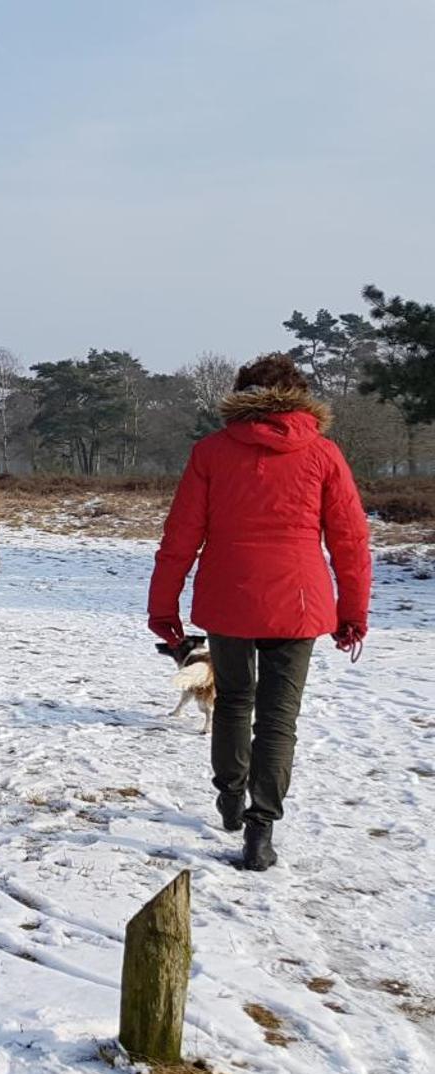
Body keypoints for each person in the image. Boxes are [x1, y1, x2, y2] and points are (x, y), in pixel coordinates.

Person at [148, 353, 370, 871]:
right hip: (298, 600)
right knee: (278, 717)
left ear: (241, 396)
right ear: (301, 396)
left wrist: (164, 606)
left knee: (232, 702)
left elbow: (180, 537)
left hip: (229, 596)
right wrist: (352, 611)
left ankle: (230, 796)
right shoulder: (324, 454)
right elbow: (350, 540)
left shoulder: (211, 452)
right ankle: (261, 827)